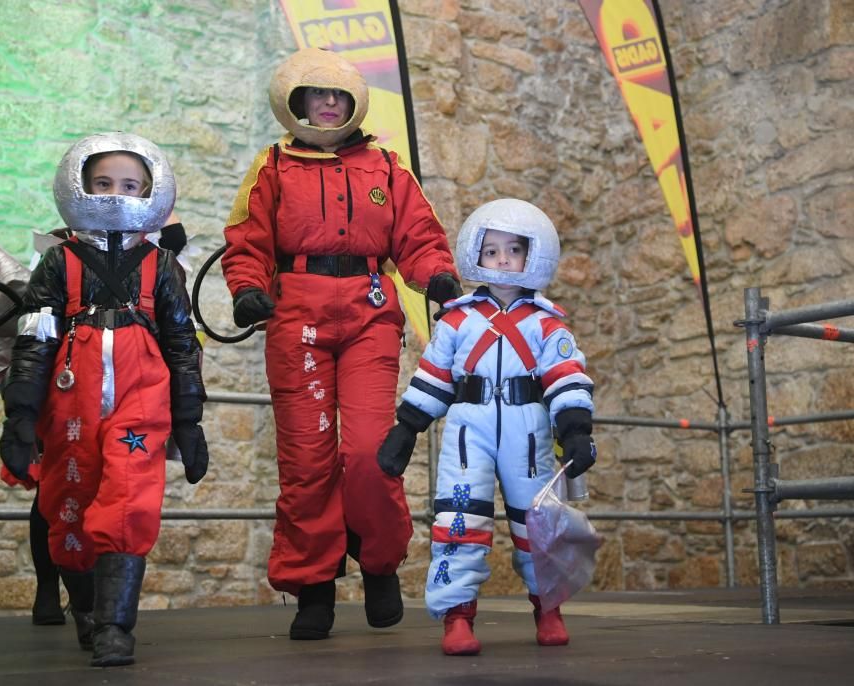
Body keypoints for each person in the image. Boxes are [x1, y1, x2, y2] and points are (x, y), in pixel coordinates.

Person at [221, 47, 461, 640]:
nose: (328, 105)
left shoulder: (386, 164)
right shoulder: (272, 166)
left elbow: (417, 235)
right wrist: (248, 288)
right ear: (298, 103)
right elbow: (247, 241)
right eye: (317, 95)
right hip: (296, 312)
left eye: (338, 96)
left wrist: (436, 276)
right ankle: (314, 586)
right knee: (307, 460)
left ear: (352, 104)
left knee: (371, 450)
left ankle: (378, 562)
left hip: (369, 311)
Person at [0, 132, 208, 667]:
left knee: (129, 501)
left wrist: (188, 419)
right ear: (80, 186)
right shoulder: (57, 263)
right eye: (104, 183)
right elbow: (34, 340)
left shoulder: (160, 267)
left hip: (141, 400)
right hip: (70, 403)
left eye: (131, 185)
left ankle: (116, 626)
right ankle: (86, 612)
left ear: (150, 193)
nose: (117, 195)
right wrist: (19, 415)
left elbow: (183, 344)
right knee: (68, 503)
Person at [376, 198, 597, 656]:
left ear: (533, 255)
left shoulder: (546, 324)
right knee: (459, 519)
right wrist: (406, 428)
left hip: (529, 430)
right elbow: (434, 375)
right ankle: (457, 615)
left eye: (511, 250)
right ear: (475, 253)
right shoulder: (457, 319)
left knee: (538, 522)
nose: (500, 260)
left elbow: (566, 376)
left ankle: (548, 607)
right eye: (491, 250)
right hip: (467, 430)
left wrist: (574, 429)